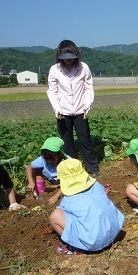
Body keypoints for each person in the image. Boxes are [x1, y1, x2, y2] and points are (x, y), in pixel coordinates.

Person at [47, 39, 100, 177]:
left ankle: (92, 168)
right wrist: (57, 108)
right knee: (67, 142)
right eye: (66, 58)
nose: (69, 60)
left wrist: (87, 105)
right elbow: (52, 91)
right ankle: (72, 169)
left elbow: (88, 88)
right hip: (63, 112)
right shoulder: (55, 70)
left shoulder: (83, 68)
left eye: (71, 57)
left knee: (85, 140)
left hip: (80, 111)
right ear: (59, 56)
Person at [50, 158, 124, 255]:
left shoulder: (69, 199)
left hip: (94, 243)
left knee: (55, 216)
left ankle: (76, 248)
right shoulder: (97, 185)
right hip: (115, 231)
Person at [26, 137, 69, 205]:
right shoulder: (43, 159)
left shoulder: (67, 162)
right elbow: (29, 168)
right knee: (36, 170)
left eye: (52, 159)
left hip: (64, 179)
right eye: (47, 159)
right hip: (50, 178)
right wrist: (31, 182)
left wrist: (56, 196)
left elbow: (68, 182)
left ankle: (60, 192)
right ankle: (40, 194)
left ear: (60, 154)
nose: (49, 161)